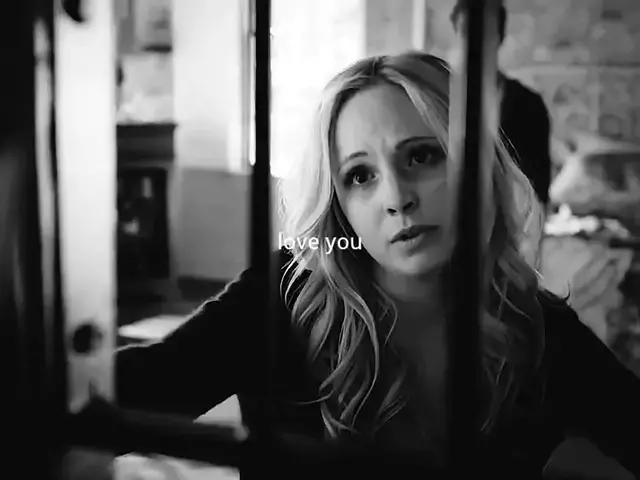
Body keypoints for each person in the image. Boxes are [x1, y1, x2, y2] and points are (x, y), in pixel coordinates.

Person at [115, 52, 640, 478]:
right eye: (361, 176)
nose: (397, 197)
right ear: (338, 204)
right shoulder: (282, 297)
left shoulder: (539, 330)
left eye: (421, 156)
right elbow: (137, 392)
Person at [449, 0, 553, 214]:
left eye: (486, 33)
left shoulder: (528, 105)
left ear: (500, 37)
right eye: (467, 31)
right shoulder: (437, 96)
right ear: (456, 35)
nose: (476, 42)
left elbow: (539, 190)